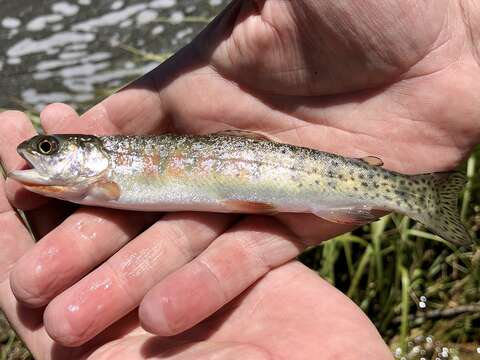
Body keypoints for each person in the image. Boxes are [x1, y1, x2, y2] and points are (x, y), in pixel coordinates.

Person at [1, 0, 479, 358]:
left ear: (86, 153)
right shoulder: (100, 182)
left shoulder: (106, 178)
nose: (40, 154)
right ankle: (417, 192)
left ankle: (420, 192)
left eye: (49, 149)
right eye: (48, 148)